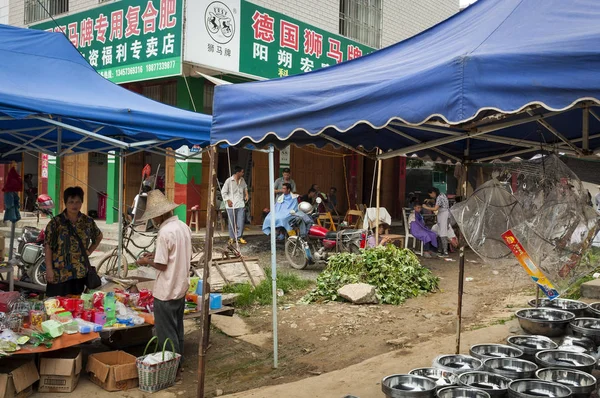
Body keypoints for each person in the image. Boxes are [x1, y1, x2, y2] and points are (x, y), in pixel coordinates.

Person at [135, 190, 190, 377]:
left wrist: (146, 261)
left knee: (166, 334)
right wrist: (153, 256)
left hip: (166, 290)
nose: (153, 221)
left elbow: (162, 264)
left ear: (159, 215)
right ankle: (179, 362)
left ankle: (171, 368)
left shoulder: (165, 231)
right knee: (177, 329)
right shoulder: (183, 227)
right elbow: (175, 255)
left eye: (153, 217)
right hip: (180, 286)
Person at [44, 187, 103, 297]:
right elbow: (48, 247)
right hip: (59, 273)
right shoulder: (56, 223)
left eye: (78, 202)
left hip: (79, 272)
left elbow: (98, 236)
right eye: (71, 202)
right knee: (56, 305)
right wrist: (49, 269)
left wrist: (89, 251)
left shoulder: (87, 221)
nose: (74, 205)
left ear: (82, 203)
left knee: (76, 304)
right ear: (65, 203)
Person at [222, 166, 249, 245]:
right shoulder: (229, 181)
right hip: (231, 205)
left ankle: (240, 237)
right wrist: (228, 200)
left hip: (240, 204)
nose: (243, 173)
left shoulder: (242, 180)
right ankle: (232, 237)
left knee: (240, 221)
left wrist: (247, 194)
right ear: (238, 173)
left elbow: (245, 187)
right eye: (242, 172)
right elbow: (224, 192)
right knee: (231, 222)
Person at [423, 187, 450, 257]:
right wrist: (430, 200)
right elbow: (437, 202)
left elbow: (435, 208)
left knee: (443, 233)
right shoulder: (442, 195)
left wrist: (426, 207)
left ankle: (445, 252)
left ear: (433, 193)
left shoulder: (439, 197)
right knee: (438, 231)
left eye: (430, 195)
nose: (430, 196)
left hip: (444, 215)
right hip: (443, 214)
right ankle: (440, 250)